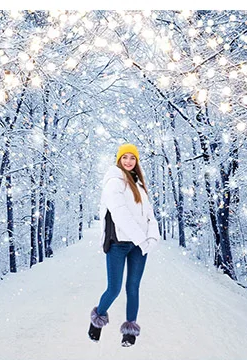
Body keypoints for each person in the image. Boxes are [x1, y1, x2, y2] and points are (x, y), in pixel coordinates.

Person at [88, 144, 160, 348]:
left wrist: (152, 238)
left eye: (133, 158)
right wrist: (141, 239)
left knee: (133, 288)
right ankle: (97, 319)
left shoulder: (138, 184)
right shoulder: (113, 181)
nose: (129, 161)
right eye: (125, 157)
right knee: (114, 288)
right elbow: (121, 215)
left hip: (139, 246)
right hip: (118, 244)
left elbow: (149, 217)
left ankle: (130, 331)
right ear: (119, 160)